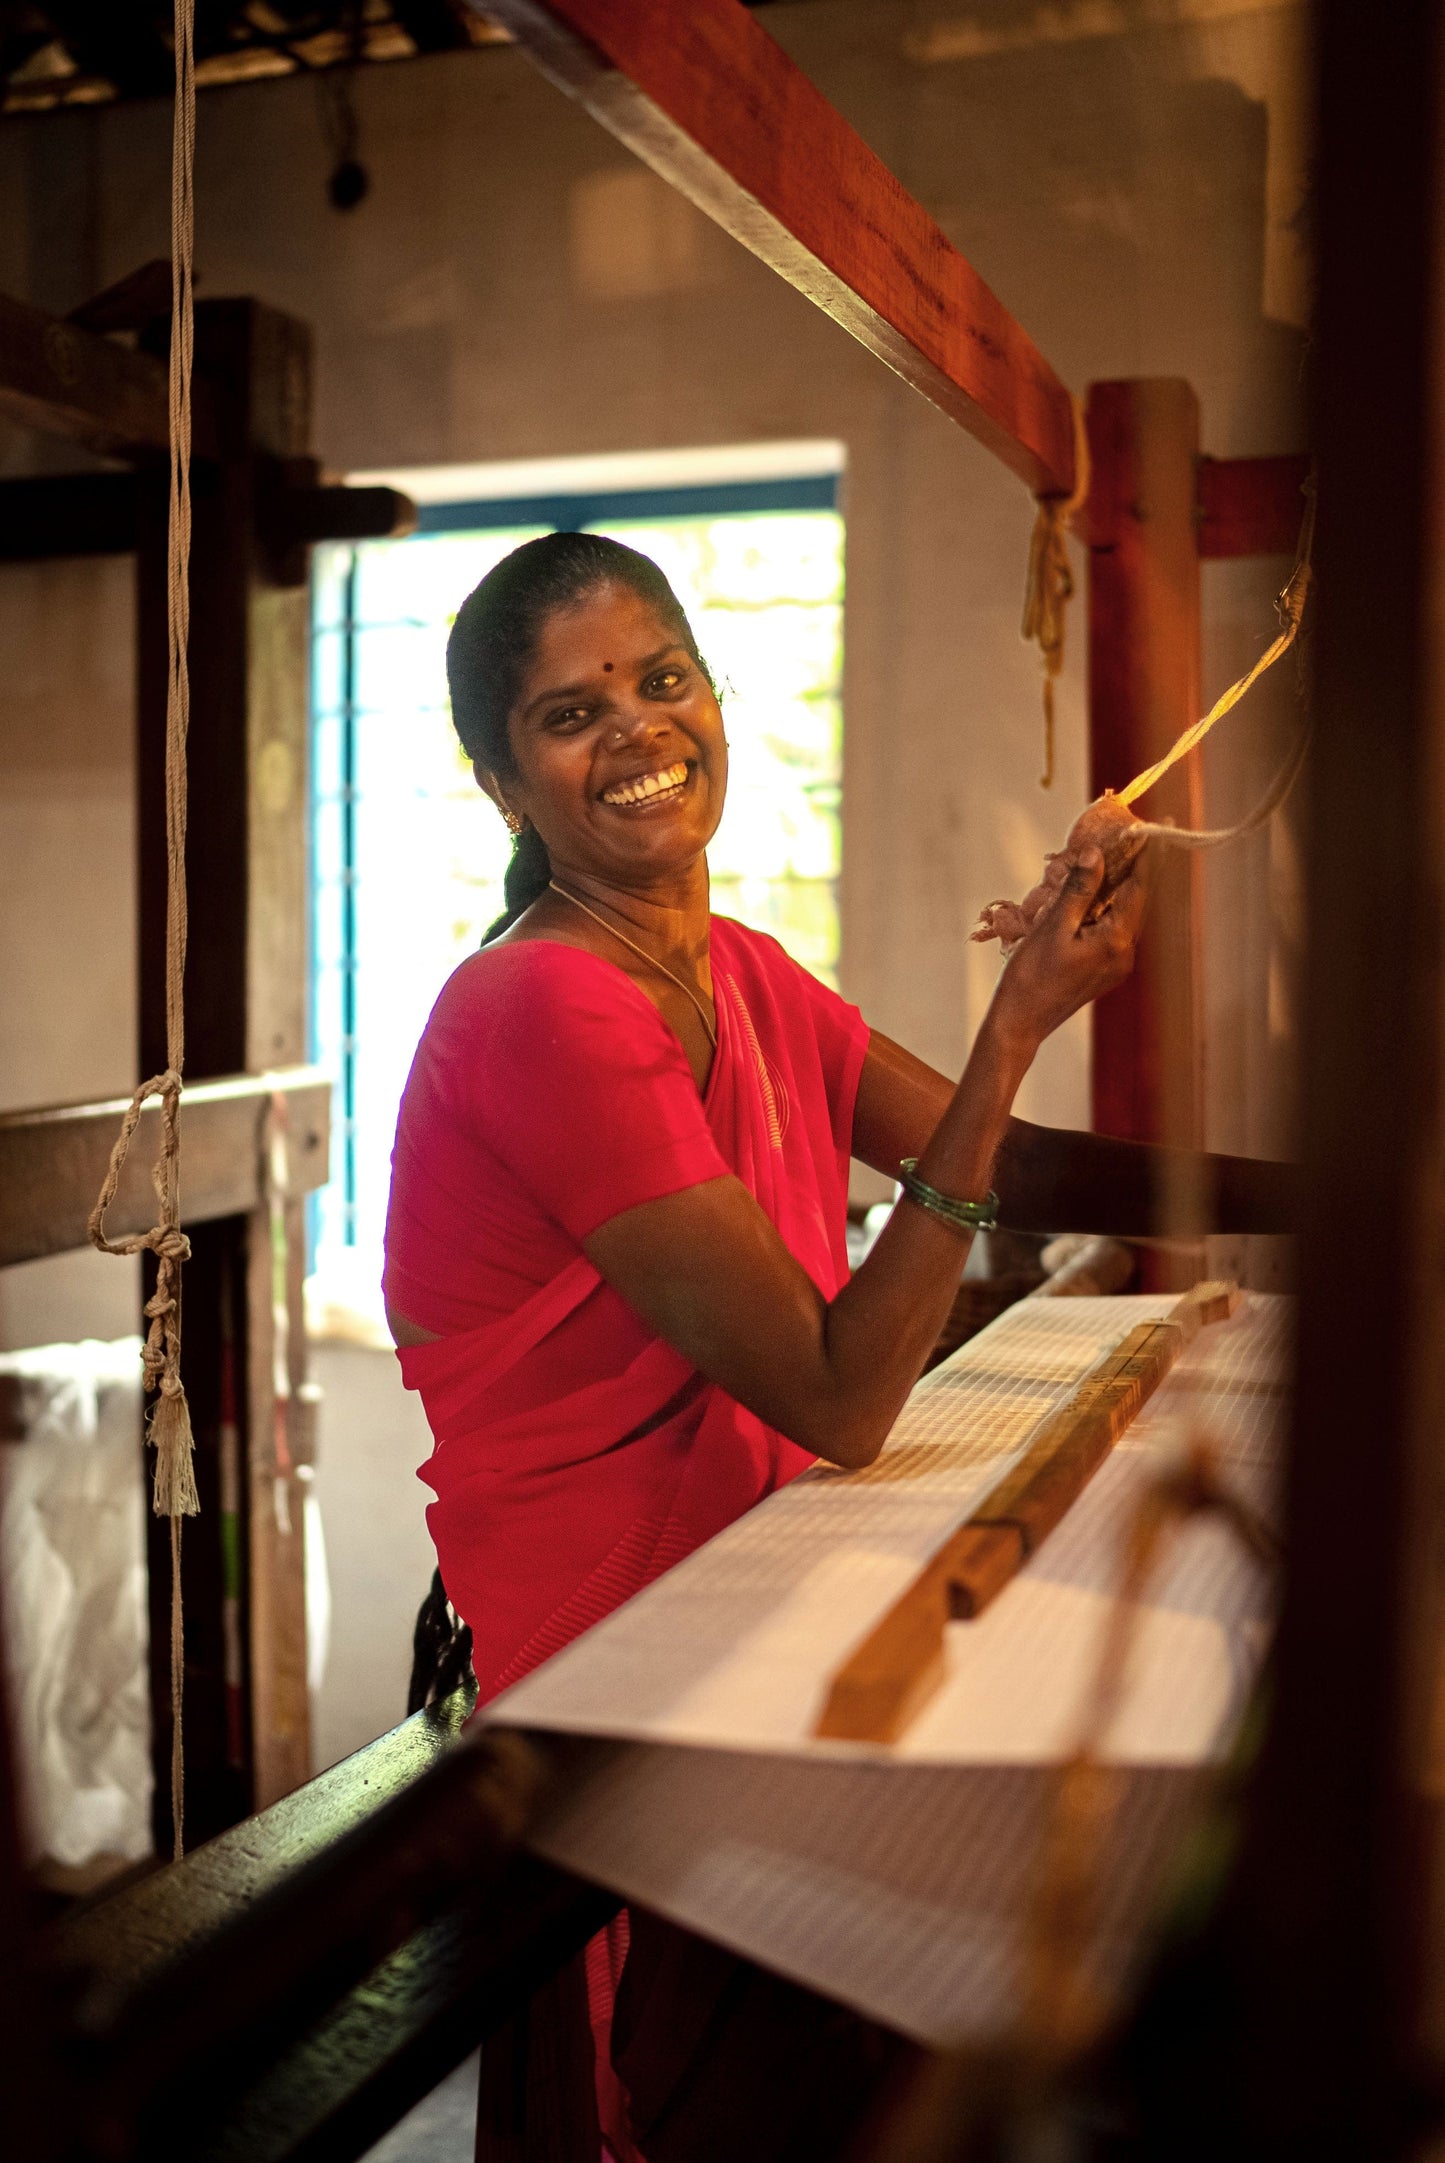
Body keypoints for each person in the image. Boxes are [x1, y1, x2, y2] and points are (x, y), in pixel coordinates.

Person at [383, 531, 1292, 2162]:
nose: (641, 729)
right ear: (497, 782)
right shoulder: (539, 1011)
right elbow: (841, 1396)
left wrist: (1321, 1206)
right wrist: (1018, 1020)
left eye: (662, 680)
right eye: (569, 714)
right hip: (614, 1663)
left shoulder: (732, 971)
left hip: (753, 1597)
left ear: (715, 700)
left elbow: (995, 1160)